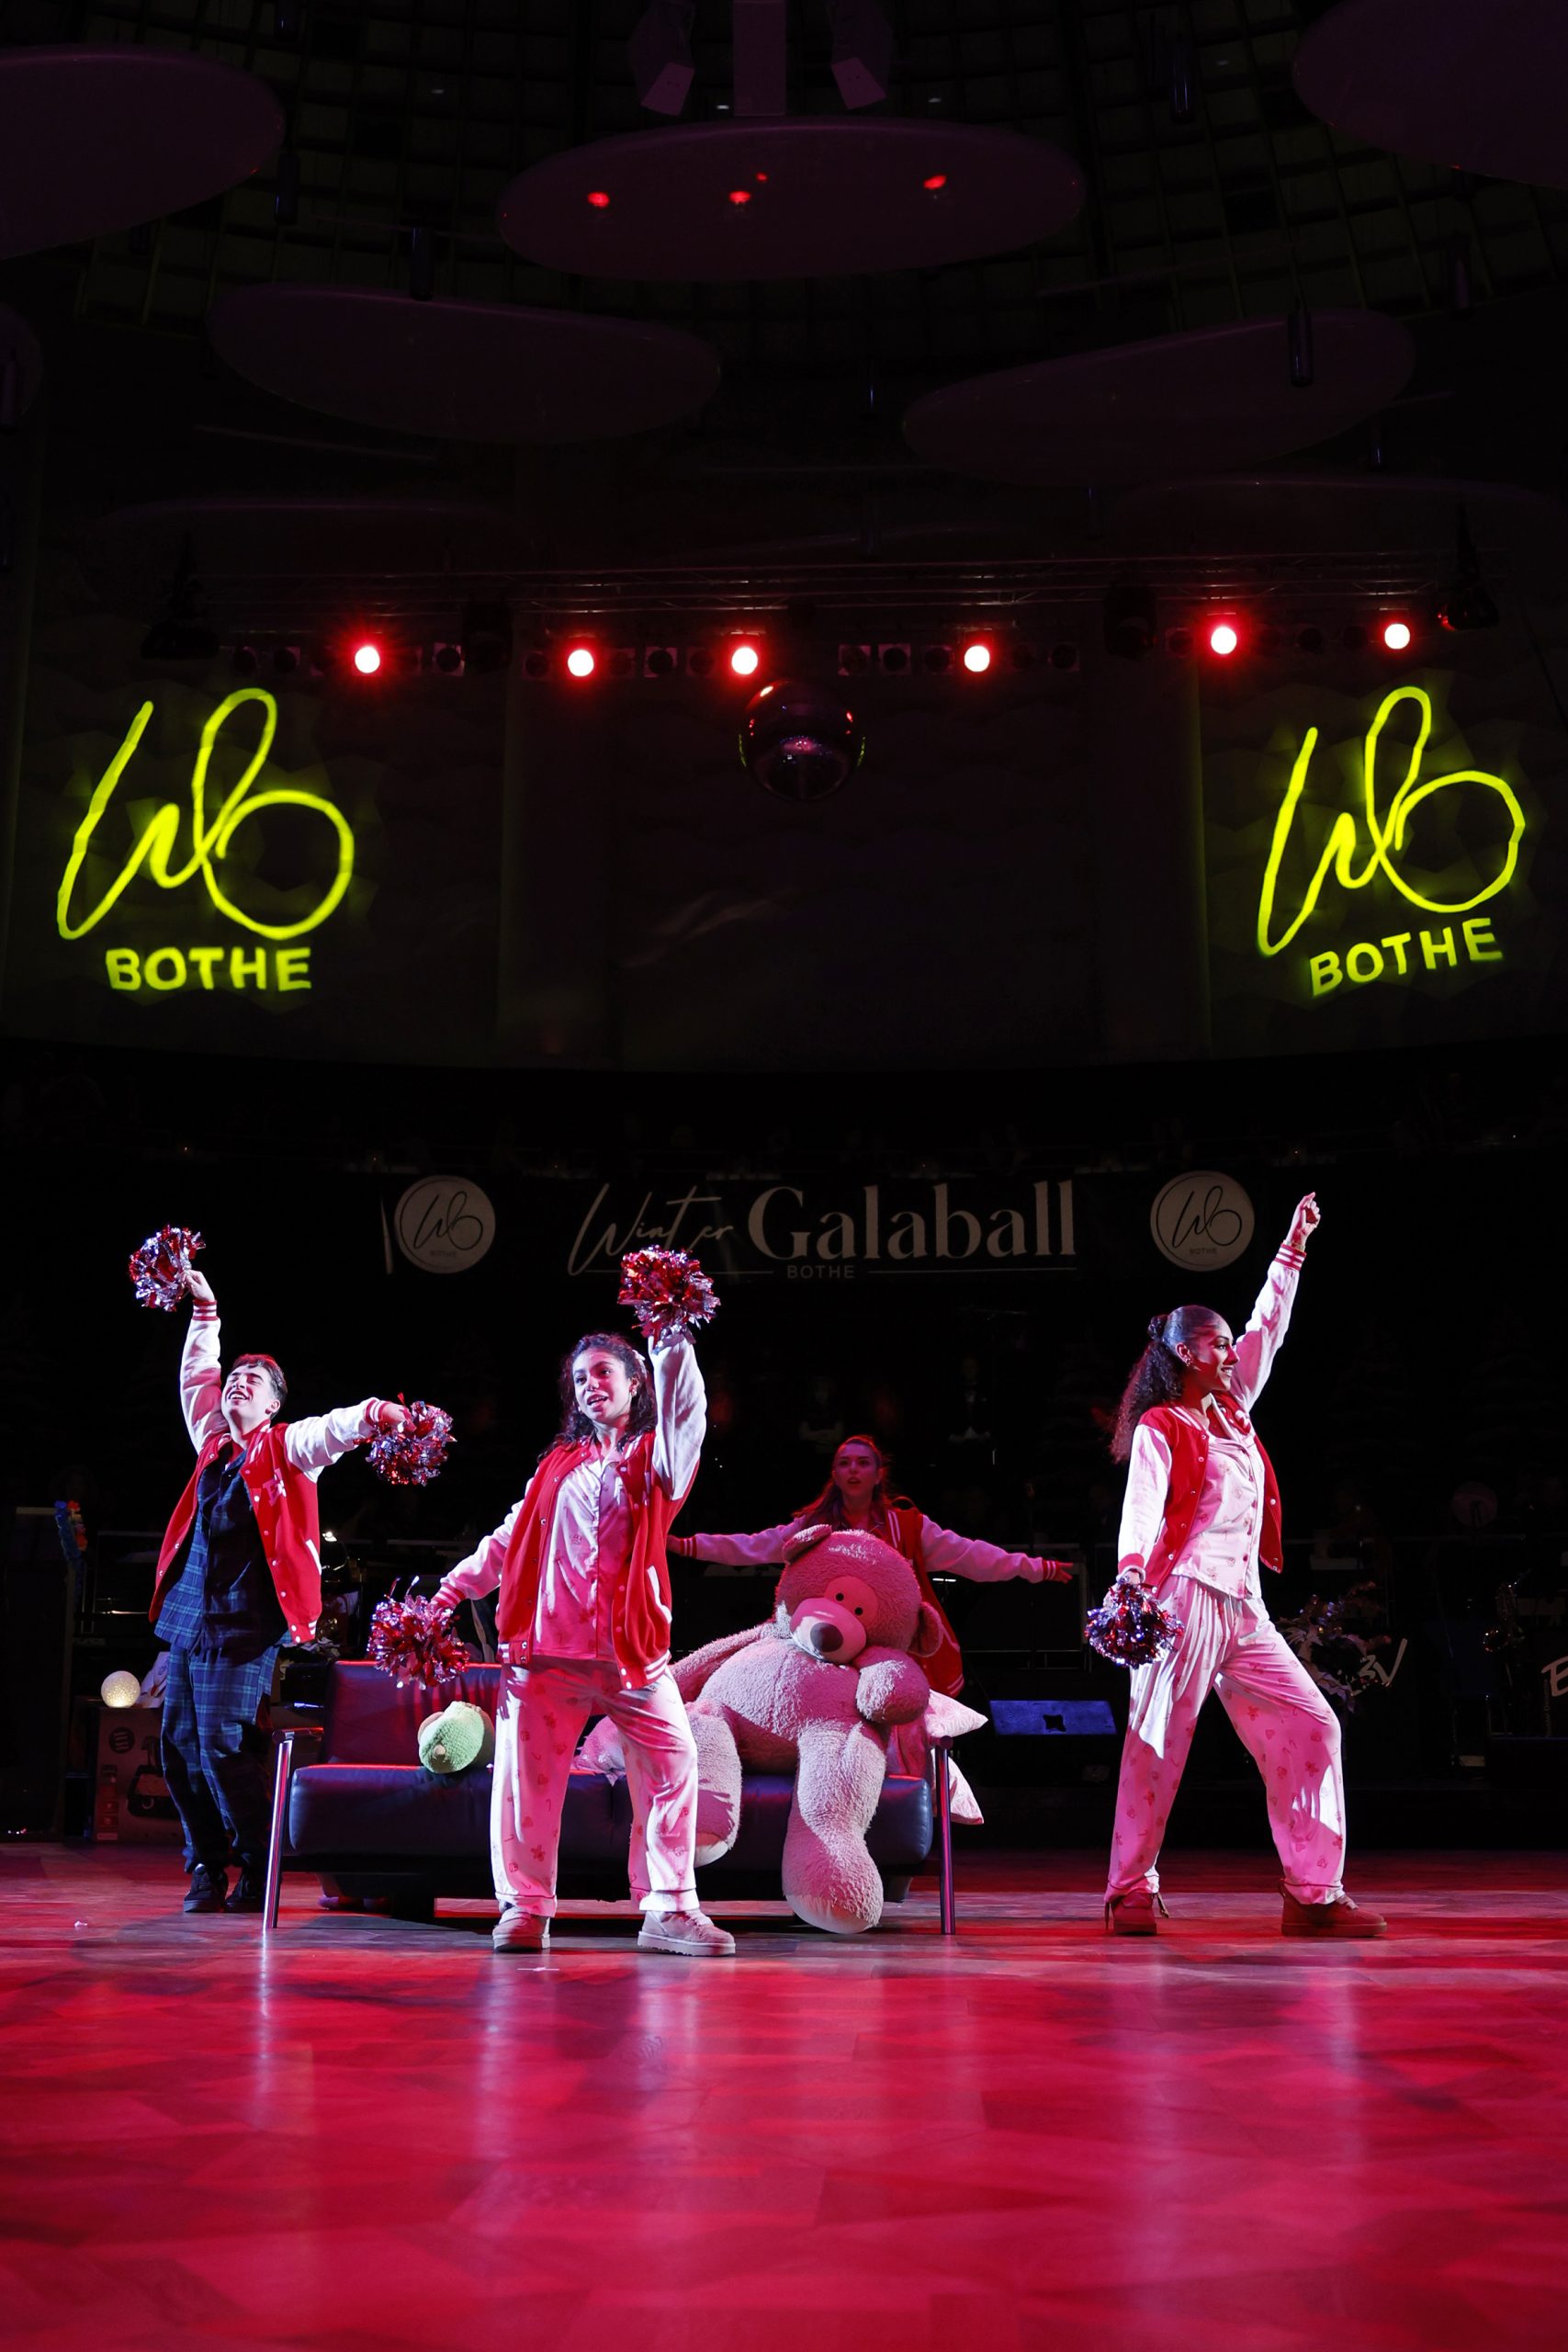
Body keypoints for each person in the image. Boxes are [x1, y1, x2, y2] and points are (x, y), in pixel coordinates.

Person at [1101, 1193, 1386, 1939]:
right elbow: (1142, 1504)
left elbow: (1269, 1326)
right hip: (1180, 1598)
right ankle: (1128, 1889)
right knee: (1156, 1742)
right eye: (1217, 1344)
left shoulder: (1234, 1411)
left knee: (1311, 1725)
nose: (1231, 1353)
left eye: (1230, 1344)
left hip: (1243, 1604)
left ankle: (1312, 1892)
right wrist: (1130, 1574)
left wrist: (1292, 1248)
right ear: (1184, 1354)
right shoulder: (1163, 1424)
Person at [433, 1326, 734, 1959]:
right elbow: (507, 1539)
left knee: (675, 1762)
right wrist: (448, 1594)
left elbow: (687, 1413)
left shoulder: (658, 1457)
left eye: (602, 1372)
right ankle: (525, 1907)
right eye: (579, 1378)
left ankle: (670, 1907)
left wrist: (670, 1337)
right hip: (545, 1654)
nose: (590, 1385)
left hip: (631, 1656)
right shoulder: (557, 1465)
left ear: (635, 1382)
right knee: (526, 1782)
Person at [150, 1267, 409, 1916]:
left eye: (255, 1380)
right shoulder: (212, 1445)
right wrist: (205, 1310)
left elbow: (333, 1428)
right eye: (235, 1376)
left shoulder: (288, 1448)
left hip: (246, 1626)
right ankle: (206, 1867)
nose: (238, 1382)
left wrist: (375, 1414)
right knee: (178, 1751)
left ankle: (257, 1864)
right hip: (190, 1622)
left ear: (272, 1405)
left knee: (225, 1748)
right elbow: (196, 1377)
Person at [670, 1434, 1074, 1818]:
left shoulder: (907, 1527)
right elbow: (753, 1545)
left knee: (901, 1733)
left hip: (884, 1654)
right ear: (835, 1474)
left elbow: (971, 1556)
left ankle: (906, 1816)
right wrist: (687, 1545)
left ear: (879, 1474)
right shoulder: (814, 1526)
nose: (853, 1470)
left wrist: (1035, 1568)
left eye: (863, 1463)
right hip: (823, 1652)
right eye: (845, 1463)